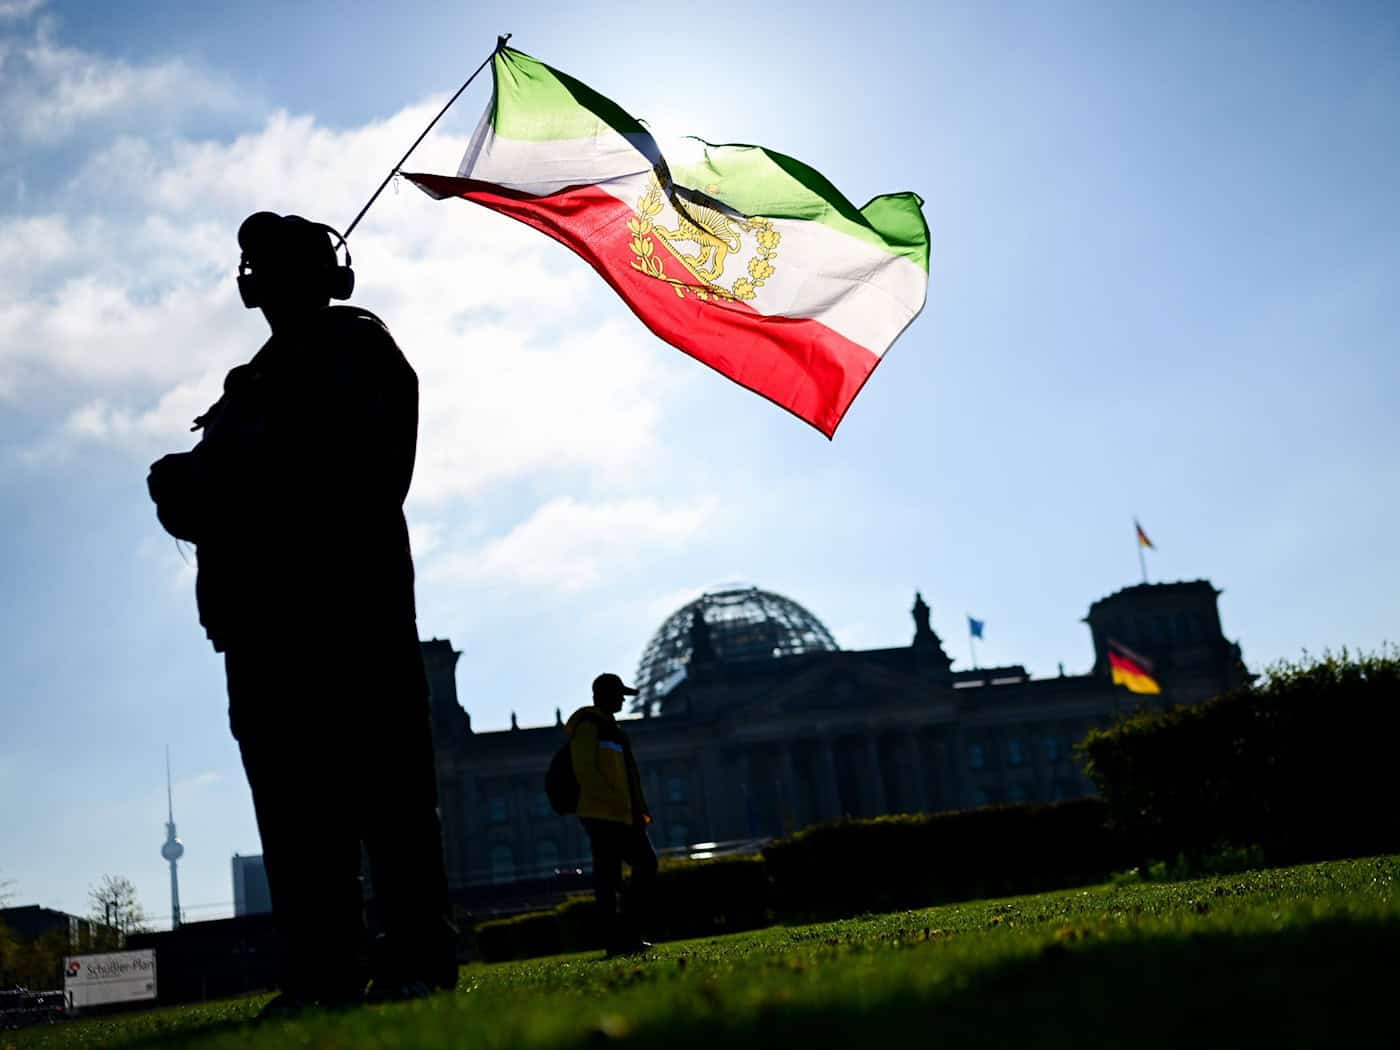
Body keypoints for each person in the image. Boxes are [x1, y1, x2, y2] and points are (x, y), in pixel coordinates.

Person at [146, 212, 456, 1008]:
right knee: (294, 815)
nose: (269, 280)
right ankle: (323, 969)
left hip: (349, 617)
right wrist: (182, 486)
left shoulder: (358, 351)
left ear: (323, 274)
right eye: (261, 267)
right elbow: (222, 501)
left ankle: (414, 959)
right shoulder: (248, 387)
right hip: (262, 634)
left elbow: (354, 476)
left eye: (284, 264)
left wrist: (216, 484)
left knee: (388, 803)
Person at [566, 673, 657, 956]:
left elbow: (629, 776)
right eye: (619, 694)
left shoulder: (615, 729)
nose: (622, 700)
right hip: (602, 815)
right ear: (603, 695)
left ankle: (626, 935)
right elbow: (585, 771)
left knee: (643, 866)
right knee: (610, 877)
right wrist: (612, 802)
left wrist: (638, 809)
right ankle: (618, 941)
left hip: (624, 815)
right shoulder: (588, 726)